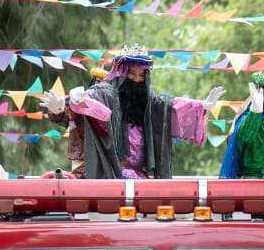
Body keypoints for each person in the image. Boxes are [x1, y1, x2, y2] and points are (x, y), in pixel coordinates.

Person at [41, 46, 224, 179]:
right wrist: (58, 108)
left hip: (140, 178)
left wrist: (202, 106)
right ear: (120, 74)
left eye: (141, 75)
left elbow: (172, 108)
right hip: (106, 174)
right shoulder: (102, 93)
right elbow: (77, 110)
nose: (137, 79)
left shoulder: (149, 100)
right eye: (131, 74)